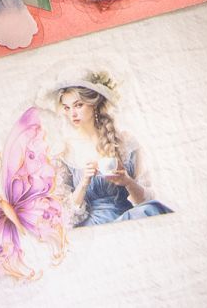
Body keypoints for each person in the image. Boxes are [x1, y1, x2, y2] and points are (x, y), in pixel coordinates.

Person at [51, 75, 170, 227]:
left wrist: (127, 181)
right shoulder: (64, 151)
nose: (72, 114)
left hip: (130, 219)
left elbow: (146, 200)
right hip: (93, 227)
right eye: (67, 108)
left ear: (94, 104)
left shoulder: (126, 141)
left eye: (78, 105)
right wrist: (84, 182)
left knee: (152, 209)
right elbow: (65, 216)